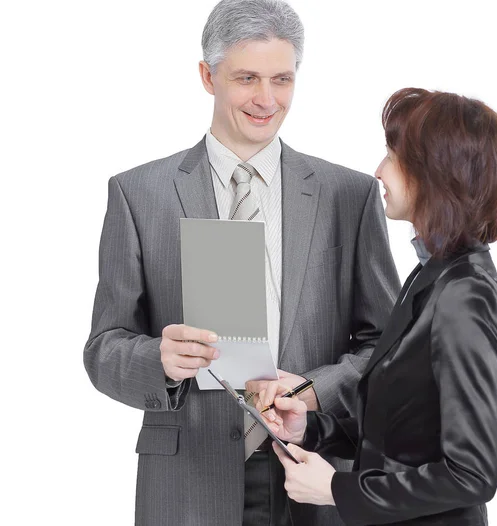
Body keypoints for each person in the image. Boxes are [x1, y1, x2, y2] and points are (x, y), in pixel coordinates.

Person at [83, 0, 400, 525]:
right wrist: (157, 360)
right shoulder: (139, 194)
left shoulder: (350, 195)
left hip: (312, 469)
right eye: (247, 78)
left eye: (282, 79)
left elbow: (386, 348)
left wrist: (312, 391)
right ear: (208, 76)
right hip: (188, 482)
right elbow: (102, 347)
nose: (267, 99)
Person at [258, 87, 497, 526]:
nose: (378, 171)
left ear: (436, 172)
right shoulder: (431, 275)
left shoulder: (465, 293)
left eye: (393, 157)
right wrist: (310, 429)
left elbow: (472, 473)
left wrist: (337, 489)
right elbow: (403, 432)